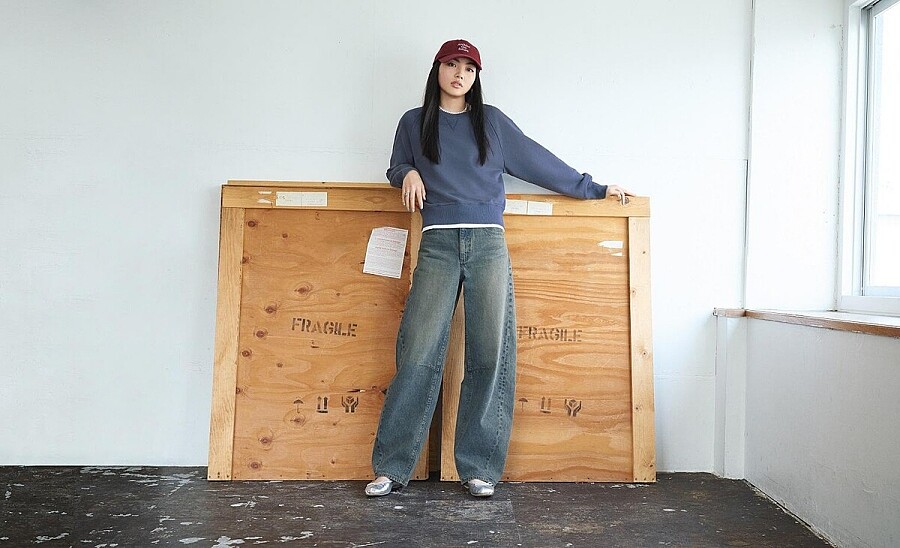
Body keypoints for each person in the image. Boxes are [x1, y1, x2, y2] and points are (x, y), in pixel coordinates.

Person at [366, 39, 632, 498]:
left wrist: (594, 188)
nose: (460, 74)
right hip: (437, 243)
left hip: (488, 243)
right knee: (417, 352)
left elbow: (537, 161)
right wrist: (406, 172)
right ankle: (391, 466)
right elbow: (396, 166)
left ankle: (479, 468)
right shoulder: (413, 122)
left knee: (490, 353)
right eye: (452, 65)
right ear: (438, 70)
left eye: (469, 68)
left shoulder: (490, 122)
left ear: (476, 77)